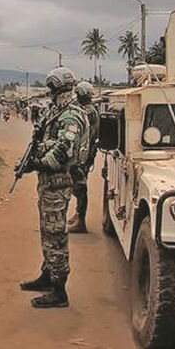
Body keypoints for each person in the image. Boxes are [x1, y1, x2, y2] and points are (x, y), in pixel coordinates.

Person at [18, 67, 88, 308]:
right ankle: (48, 276)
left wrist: (38, 163)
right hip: (48, 183)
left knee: (56, 234)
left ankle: (59, 291)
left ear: (58, 88)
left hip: (58, 182)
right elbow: (45, 142)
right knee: (47, 231)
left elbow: (64, 151)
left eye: (51, 88)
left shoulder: (71, 117)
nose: (49, 93)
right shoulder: (56, 113)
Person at [67, 81, 100, 234]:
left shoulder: (88, 111)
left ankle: (81, 221)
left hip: (84, 155)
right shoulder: (89, 109)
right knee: (78, 185)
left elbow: (80, 133)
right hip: (86, 153)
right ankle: (78, 215)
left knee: (80, 187)